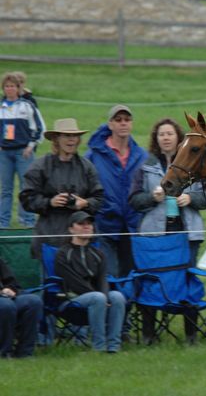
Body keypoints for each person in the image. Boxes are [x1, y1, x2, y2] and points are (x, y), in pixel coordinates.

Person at [20, 118, 104, 259]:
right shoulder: (40, 166)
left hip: (81, 240)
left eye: (74, 136)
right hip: (50, 237)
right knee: (52, 281)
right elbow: (26, 198)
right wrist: (49, 202)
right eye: (66, 136)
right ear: (56, 139)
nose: (71, 140)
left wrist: (85, 203)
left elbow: (99, 198)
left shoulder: (86, 167)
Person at [129, 118, 206, 267]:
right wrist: (152, 197)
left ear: (178, 137)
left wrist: (190, 198)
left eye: (170, 134)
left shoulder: (193, 164)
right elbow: (134, 200)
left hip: (188, 234)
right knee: (161, 277)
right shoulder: (145, 167)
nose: (165, 137)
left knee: (186, 277)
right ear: (156, 139)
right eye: (161, 134)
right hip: (155, 235)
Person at [86, 105, 147, 278]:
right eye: (118, 120)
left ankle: (126, 305)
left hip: (133, 225)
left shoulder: (142, 156)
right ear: (110, 124)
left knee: (131, 277)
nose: (123, 124)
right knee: (109, 275)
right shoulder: (93, 155)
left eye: (127, 120)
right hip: (105, 224)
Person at [54, 211, 126, 353]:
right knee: (97, 297)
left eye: (89, 224)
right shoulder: (63, 254)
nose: (86, 227)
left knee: (117, 296)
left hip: (97, 298)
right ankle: (98, 347)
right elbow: (73, 282)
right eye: (81, 224)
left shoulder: (98, 254)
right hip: (71, 299)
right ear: (71, 229)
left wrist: (105, 296)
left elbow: (102, 279)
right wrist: (100, 296)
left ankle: (113, 347)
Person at [0, 72, 45, 229]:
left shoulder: (27, 106)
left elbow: (39, 128)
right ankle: (2, 223)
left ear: (18, 88)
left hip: (23, 152)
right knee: (6, 189)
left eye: (12, 86)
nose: (9, 89)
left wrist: (31, 145)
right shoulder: (1, 107)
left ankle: (27, 221)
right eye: (7, 86)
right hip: (4, 153)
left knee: (26, 187)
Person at [0, 258, 42, 358]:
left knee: (33, 301)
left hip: (4, 297)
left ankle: (25, 352)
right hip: (4, 302)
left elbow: (12, 282)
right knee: (6, 306)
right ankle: (4, 352)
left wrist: (9, 289)